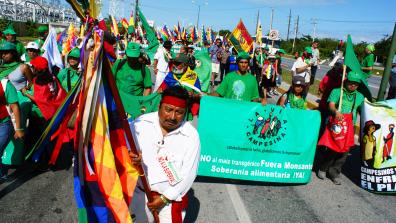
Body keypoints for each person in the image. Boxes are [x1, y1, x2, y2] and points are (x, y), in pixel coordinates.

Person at [130, 85, 200, 223]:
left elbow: (189, 174)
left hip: (170, 200)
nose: (172, 117)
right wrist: (130, 157)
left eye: (179, 112)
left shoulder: (191, 136)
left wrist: (164, 198)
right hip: (140, 193)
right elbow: (122, 149)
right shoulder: (140, 124)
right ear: (160, 106)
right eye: (168, 110)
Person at [317, 71, 365, 185]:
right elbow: (331, 104)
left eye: (356, 84)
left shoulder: (360, 96)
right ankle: (323, 168)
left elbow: (363, 111)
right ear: (346, 81)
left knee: (344, 153)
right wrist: (335, 111)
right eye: (351, 83)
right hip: (336, 126)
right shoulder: (337, 91)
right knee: (333, 149)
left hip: (349, 128)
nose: (353, 85)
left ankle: (334, 173)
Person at [158, 53, 201, 119]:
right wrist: (161, 91)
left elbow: (199, 96)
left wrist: (193, 95)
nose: (174, 65)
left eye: (177, 64)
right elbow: (160, 90)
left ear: (185, 65)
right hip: (169, 113)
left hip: (185, 113)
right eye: (174, 63)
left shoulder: (193, 77)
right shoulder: (170, 75)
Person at [0, 78, 24, 179]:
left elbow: (15, 107)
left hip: (3, 124)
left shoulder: (5, 84)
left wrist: (18, 129)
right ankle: (2, 172)